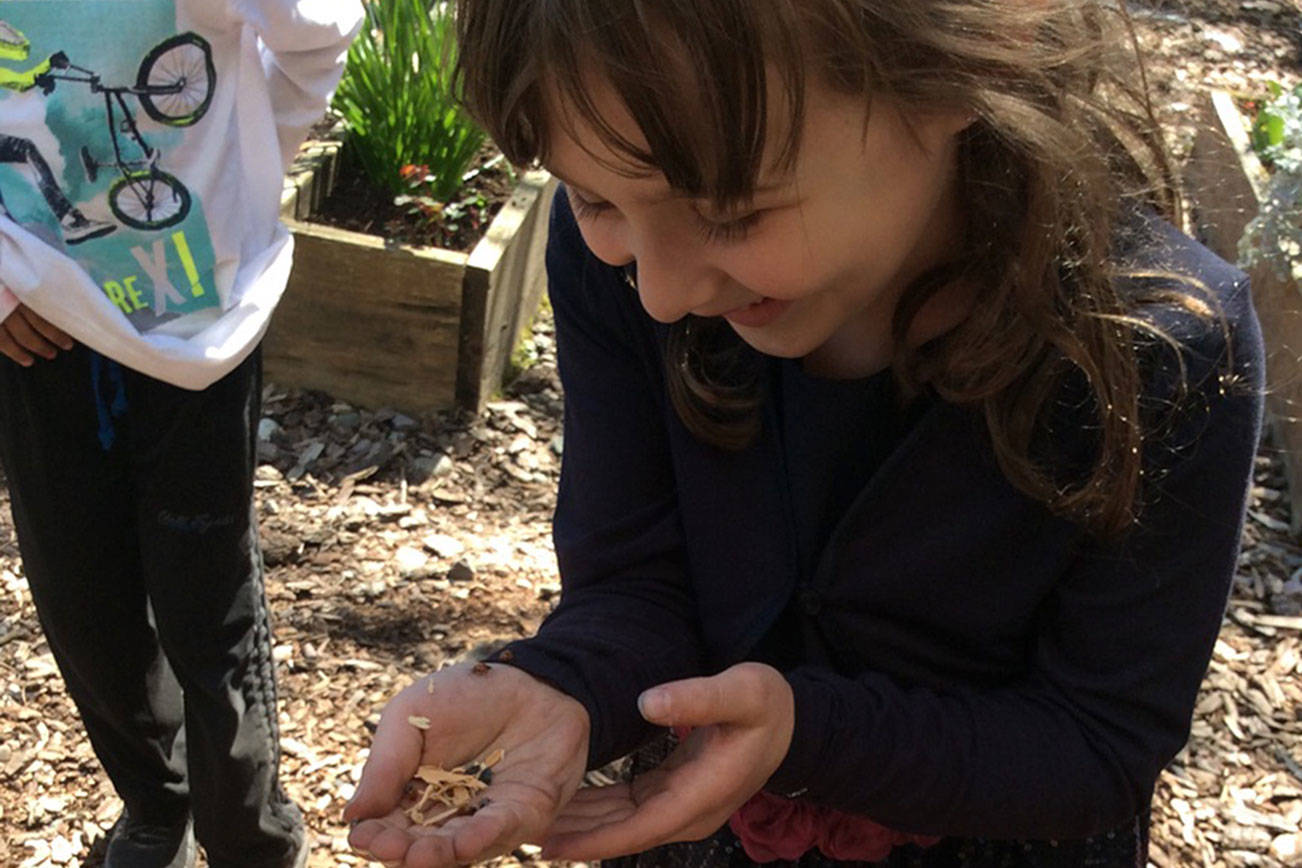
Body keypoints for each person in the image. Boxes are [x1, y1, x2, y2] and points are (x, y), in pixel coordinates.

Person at [345, 1, 1265, 866]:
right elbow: (637, 578)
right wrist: (566, 681)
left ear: (955, 73)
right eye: (592, 199)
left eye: (730, 212)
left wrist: (806, 731)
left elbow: (1096, 745)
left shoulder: (1159, 345)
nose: (661, 292)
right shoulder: (623, 264)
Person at [0, 1, 361, 867]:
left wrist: (249, 158)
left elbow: (321, 31)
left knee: (208, 600)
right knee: (81, 595)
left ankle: (248, 829)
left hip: (196, 322)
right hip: (33, 316)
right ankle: (158, 802)